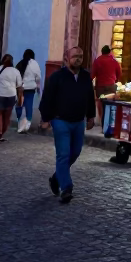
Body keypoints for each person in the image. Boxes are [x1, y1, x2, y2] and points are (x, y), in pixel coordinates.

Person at [39, 46, 96, 205]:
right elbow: (47, 98)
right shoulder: (57, 77)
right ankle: (66, 188)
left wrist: (91, 116)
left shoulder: (85, 77)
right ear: (67, 58)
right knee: (63, 154)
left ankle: (56, 178)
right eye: (75, 56)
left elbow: (90, 97)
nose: (78, 59)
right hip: (60, 120)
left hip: (78, 122)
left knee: (75, 152)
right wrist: (45, 118)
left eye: (80, 56)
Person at [0, 54, 23, 144]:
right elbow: (20, 87)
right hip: (11, 96)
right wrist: (20, 99)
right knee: (7, 116)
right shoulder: (15, 71)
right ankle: (2, 134)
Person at [90, 44, 122, 121]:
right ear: (109, 52)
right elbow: (119, 74)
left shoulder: (97, 61)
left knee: (101, 103)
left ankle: (102, 121)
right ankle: (109, 122)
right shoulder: (114, 61)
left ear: (102, 52)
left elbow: (92, 74)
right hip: (111, 86)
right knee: (111, 104)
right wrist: (116, 81)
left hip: (100, 86)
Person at [15, 49, 42, 133]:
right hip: (30, 88)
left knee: (19, 105)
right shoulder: (35, 64)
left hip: (20, 88)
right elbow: (38, 77)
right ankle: (27, 125)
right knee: (28, 105)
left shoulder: (20, 63)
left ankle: (20, 122)